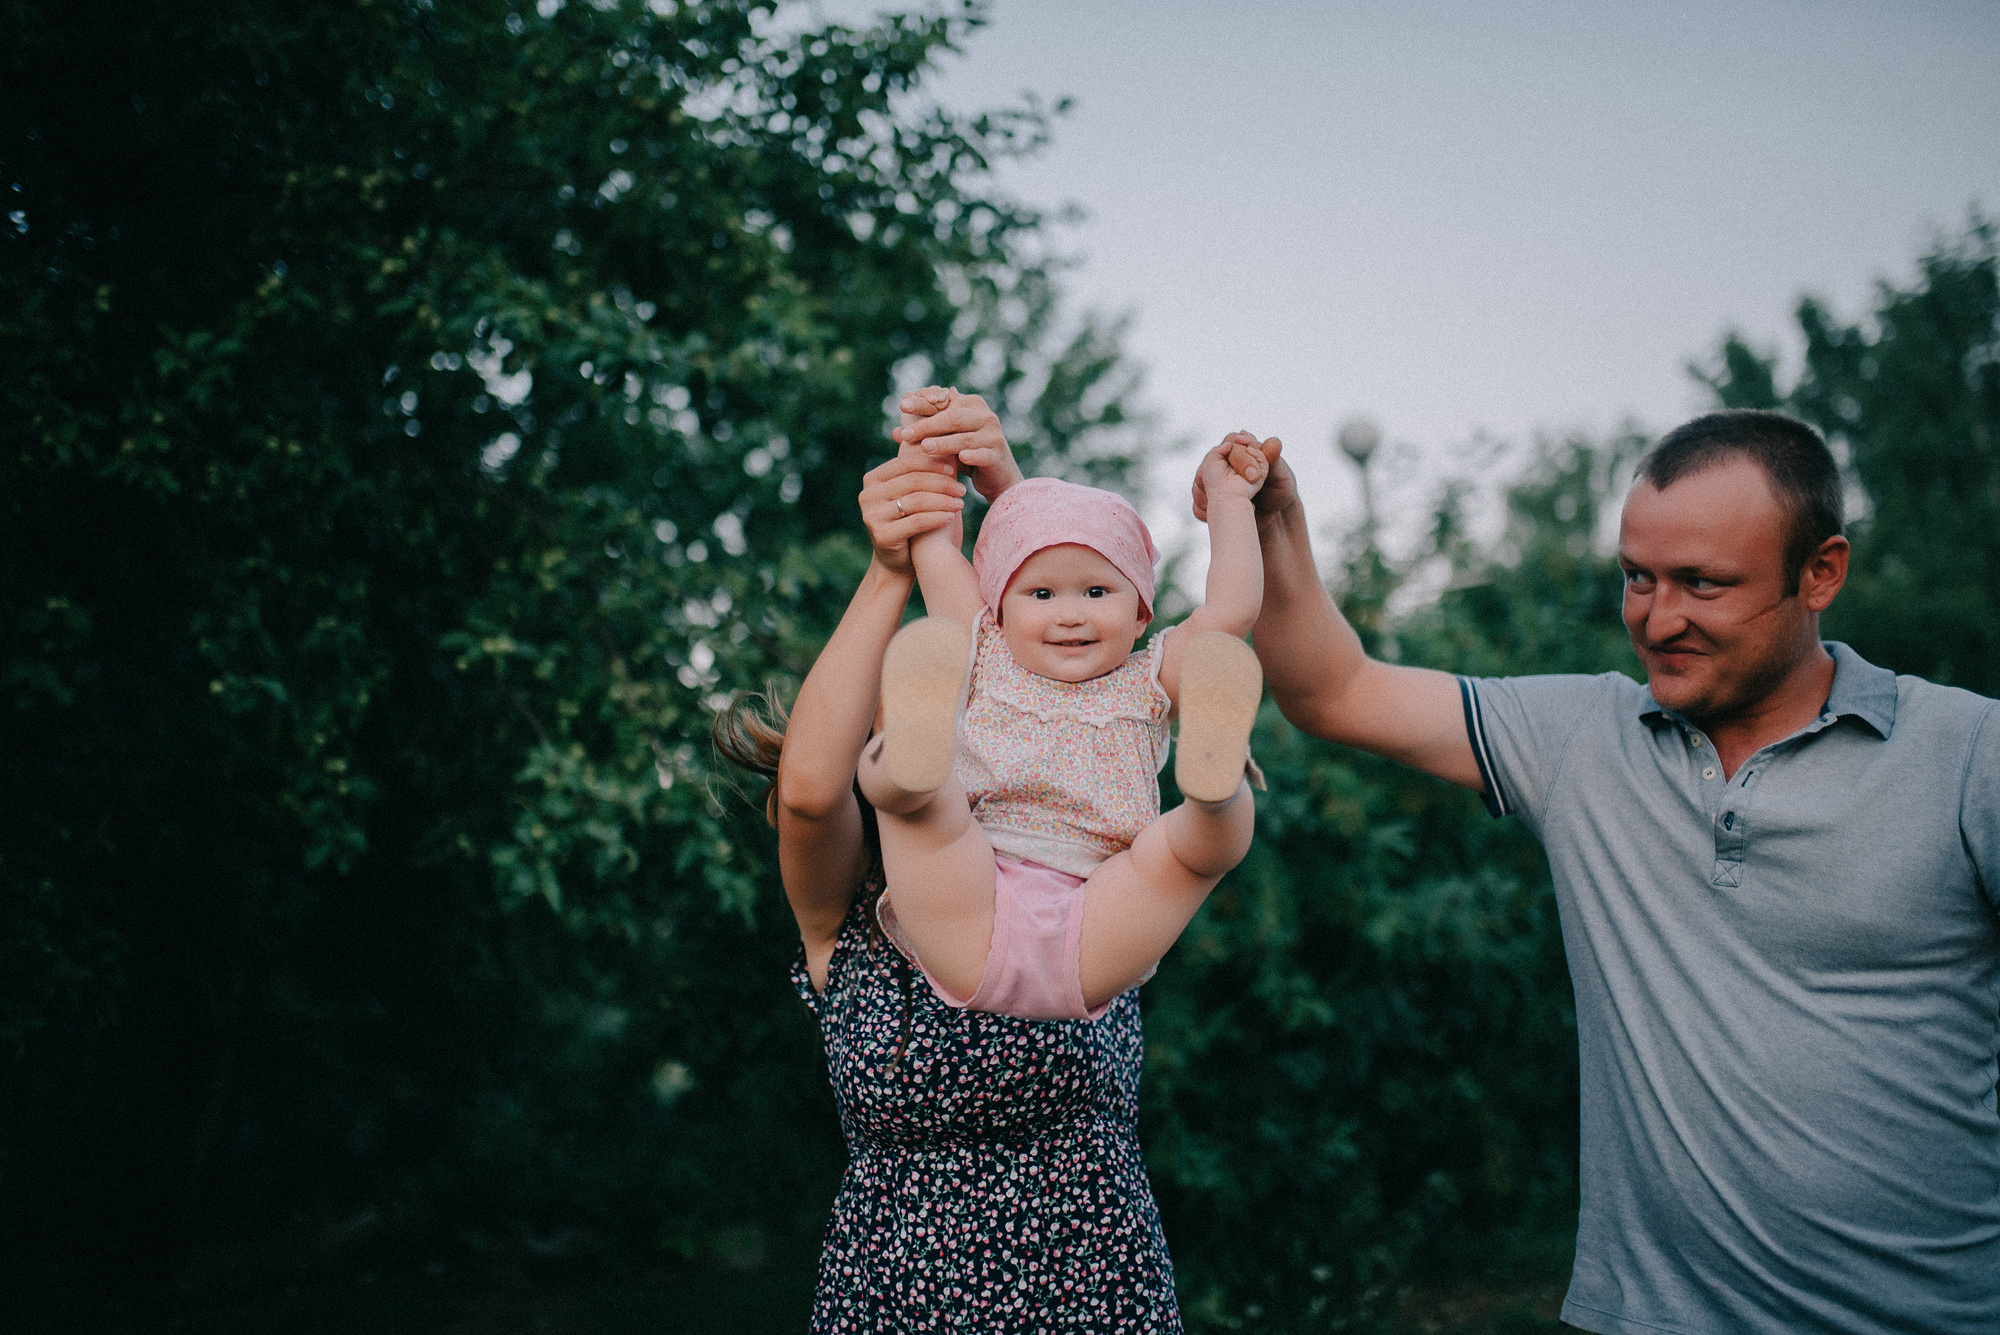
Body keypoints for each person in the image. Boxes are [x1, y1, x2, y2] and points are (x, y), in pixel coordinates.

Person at [1197, 410, 2000, 1334]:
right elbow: (1335, 690)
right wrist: (1275, 530)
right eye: (1637, 578)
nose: (1658, 620)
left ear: (1821, 572)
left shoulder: (1965, 755)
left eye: (1703, 583)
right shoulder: (1583, 739)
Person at [715, 389, 1182, 1331]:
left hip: (1093, 1282)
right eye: (912, 706)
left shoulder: (1077, 855)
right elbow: (809, 790)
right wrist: (893, 564)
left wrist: (1008, 499)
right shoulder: (843, 922)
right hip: (902, 1295)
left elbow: (1053, 660)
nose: (950, 703)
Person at [850, 386, 1268, 1023]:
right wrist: (929, 448)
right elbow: (934, 542)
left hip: (1101, 911)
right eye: (1040, 594)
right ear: (1001, 607)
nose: (1070, 614)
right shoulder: (984, 647)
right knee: (925, 813)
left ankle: (1216, 786)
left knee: (1189, 851)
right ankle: (909, 754)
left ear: (1138, 614)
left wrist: (1233, 502)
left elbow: (1232, 610)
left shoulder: (1147, 680)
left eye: (1097, 590)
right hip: (973, 889)